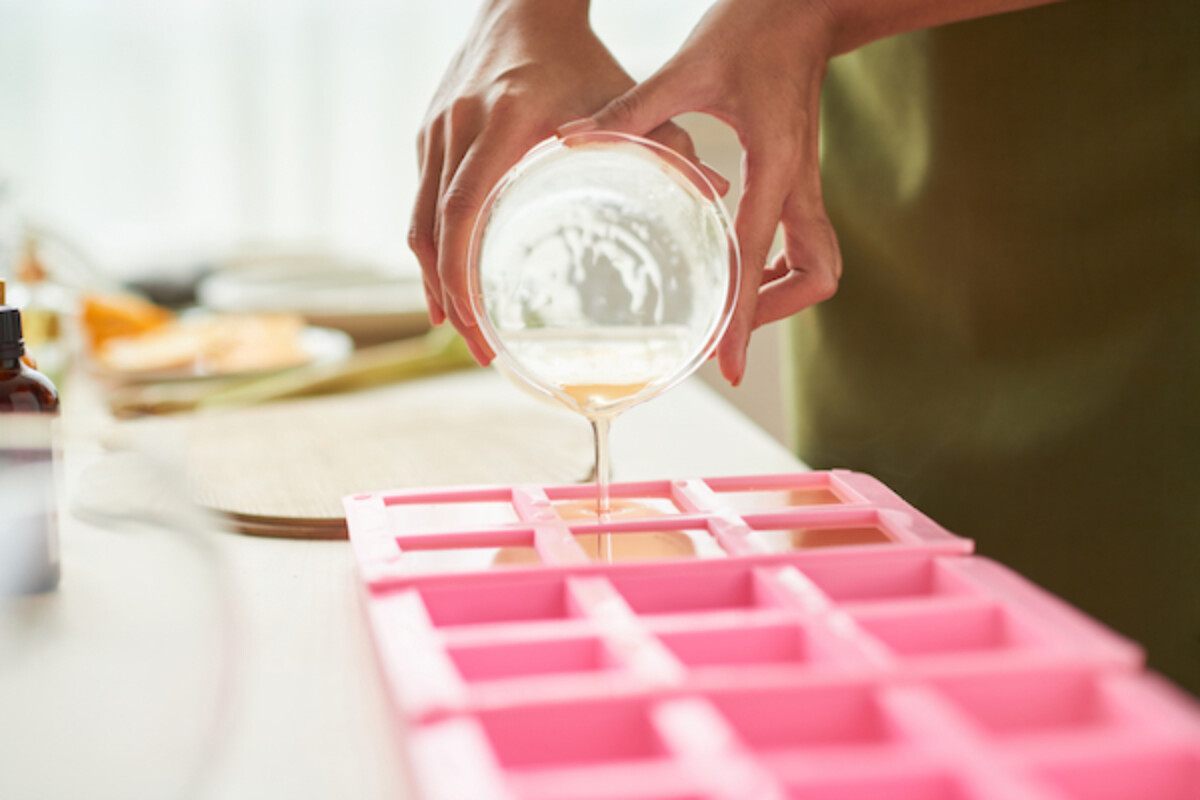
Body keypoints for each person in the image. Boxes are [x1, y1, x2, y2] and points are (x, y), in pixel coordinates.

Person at [410, 0, 1200, 693]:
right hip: (894, 208)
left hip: (1141, 222)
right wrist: (533, 12)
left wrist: (811, 8)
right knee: (876, 633)